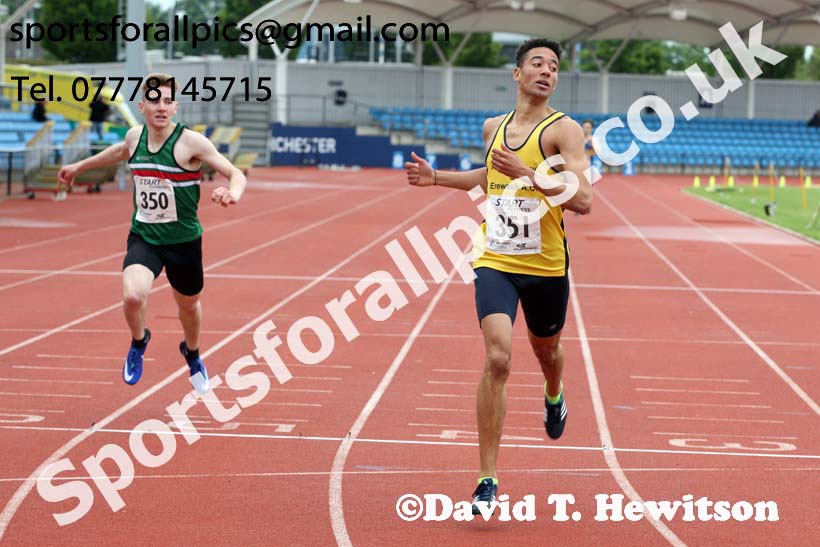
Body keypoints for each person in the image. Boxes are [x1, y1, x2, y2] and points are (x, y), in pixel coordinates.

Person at [404, 38, 592, 514]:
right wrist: (437, 178)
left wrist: (529, 173)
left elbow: (583, 199)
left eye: (553, 66)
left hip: (547, 264)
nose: (546, 71)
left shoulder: (564, 131)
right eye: (537, 63)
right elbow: (490, 178)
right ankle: (487, 478)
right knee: (498, 359)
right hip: (496, 258)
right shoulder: (494, 127)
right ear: (517, 74)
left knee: (547, 353)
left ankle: (555, 392)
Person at [58, 73, 247, 395]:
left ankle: (192, 352)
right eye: (155, 101)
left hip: (184, 242)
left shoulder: (191, 142)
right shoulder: (135, 137)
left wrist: (233, 193)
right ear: (142, 106)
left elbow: (234, 172)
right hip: (145, 237)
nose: (162, 107)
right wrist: (79, 167)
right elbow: (119, 152)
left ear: (175, 107)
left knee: (188, 306)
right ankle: (139, 340)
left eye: (168, 101)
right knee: (133, 296)